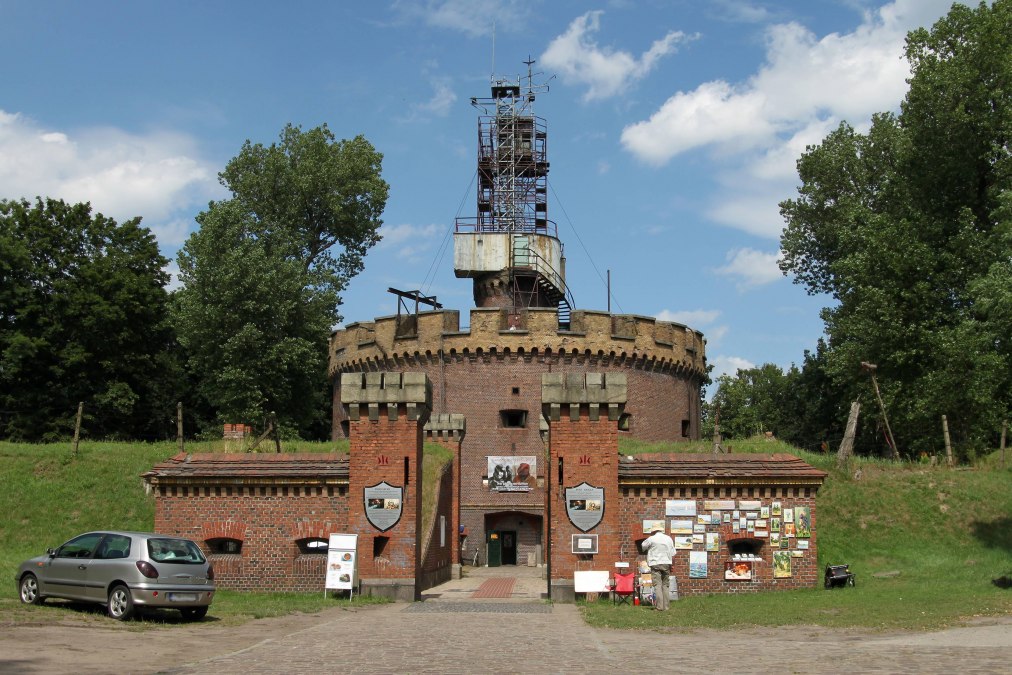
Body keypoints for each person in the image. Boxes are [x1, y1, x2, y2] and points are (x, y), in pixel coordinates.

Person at [641, 527, 676, 611]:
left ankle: (659, 607)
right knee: (665, 585)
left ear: (653, 531)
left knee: (657, 585)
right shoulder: (668, 538)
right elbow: (673, 553)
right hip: (666, 563)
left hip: (655, 563)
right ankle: (666, 607)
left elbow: (643, 546)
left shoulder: (651, 538)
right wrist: (672, 565)